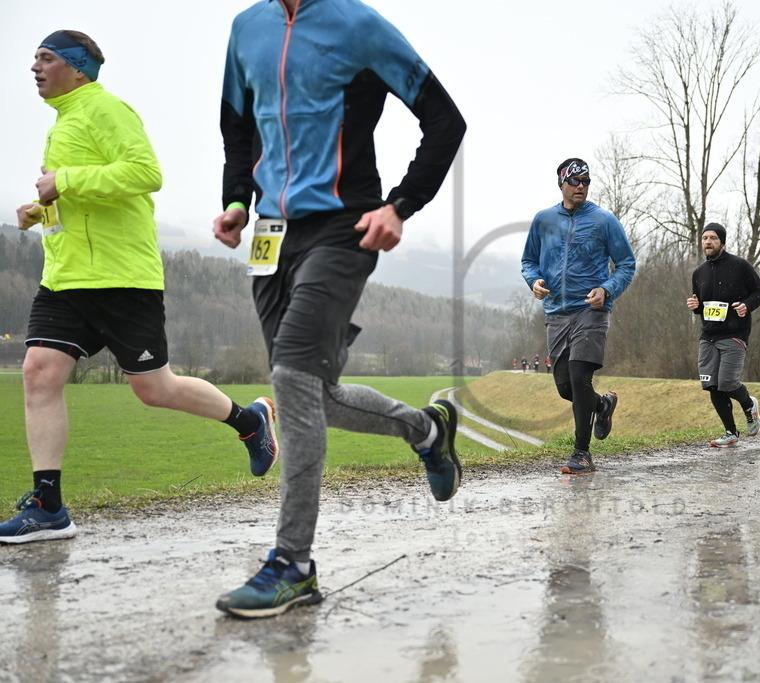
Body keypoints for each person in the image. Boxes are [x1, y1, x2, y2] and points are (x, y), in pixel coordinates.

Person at [211, 0, 466, 618]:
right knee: (311, 395)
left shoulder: (357, 25)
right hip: (271, 234)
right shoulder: (247, 29)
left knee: (292, 376)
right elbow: (237, 126)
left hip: (343, 226)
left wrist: (400, 205)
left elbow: (445, 119)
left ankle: (293, 565)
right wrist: (237, 200)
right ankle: (429, 431)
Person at [0, 31, 279, 546]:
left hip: (122, 277)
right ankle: (48, 505)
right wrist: (41, 211)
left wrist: (66, 182)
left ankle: (250, 420)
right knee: (38, 372)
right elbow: (83, 197)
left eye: (46, 58)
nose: (34, 68)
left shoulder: (106, 109)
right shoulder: (62, 122)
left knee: (155, 389)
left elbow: (145, 173)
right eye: (33, 59)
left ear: (79, 69)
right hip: (64, 278)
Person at [521, 158, 636, 475]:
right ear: (562, 184)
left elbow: (626, 264)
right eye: (575, 181)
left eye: (585, 180)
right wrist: (535, 282)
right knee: (564, 387)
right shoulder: (543, 220)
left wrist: (607, 289)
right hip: (557, 313)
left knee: (579, 377)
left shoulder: (603, 220)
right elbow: (529, 261)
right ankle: (602, 405)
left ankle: (581, 454)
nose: (581, 185)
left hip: (591, 311)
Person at [686, 223, 760, 447]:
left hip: (734, 332)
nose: (708, 242)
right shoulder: (699, 272)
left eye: (712, 238)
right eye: (704, 238)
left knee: (728, 383)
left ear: (722, 241)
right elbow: (701, 305)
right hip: (708, 335)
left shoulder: (740, 266)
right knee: (711, 384)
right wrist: (695, 306)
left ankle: (749, 404)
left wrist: (747, 306)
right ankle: (731, 432)